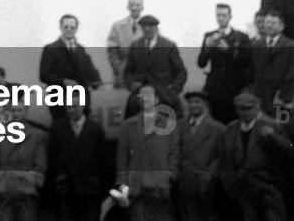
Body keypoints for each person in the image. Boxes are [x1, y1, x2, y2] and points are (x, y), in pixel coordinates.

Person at [219, 90, 294, 221]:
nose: (245, 112)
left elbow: (288, 151)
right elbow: (225, 158)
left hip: (268, 186)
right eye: (241, 109)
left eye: (249, 108)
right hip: (243, 187)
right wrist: (229, 182)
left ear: (257, 106)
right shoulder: (231, 130)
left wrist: (273, 136)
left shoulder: (272, 125)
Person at [114, 85, 178, 221]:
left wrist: (170, 174)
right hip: (136, 187)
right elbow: (122, 160)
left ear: (157, 99)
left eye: (149, 95)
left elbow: (174, 152)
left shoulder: (168, 124)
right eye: (141, 96)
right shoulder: (127, 126)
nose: (145, 99)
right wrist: (122, 186)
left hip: (160, 185)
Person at [0, 103, 47, 221]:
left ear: (26, 111)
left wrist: (31, 179)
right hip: (5, 187)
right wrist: (0, 177)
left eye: (19, 110)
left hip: (27, 188)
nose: (16, 113)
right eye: (13, 110)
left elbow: (41, 163)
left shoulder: (36, 135)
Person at [47, 100, 105, 221]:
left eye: (75, 106)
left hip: (89, 188)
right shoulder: (57, 127)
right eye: (68, 107)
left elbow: (101, 158)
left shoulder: (95, 129)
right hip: (65, 186)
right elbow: (52, 155)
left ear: (83, 106)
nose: (71, 110)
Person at [38, 14, 102, 119]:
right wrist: (63, 81)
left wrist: (97, 82)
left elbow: (90, 70)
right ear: (60, 28)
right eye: (66, 27)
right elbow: (44, 75)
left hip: (81, 99)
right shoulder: (50, 48)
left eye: (72, 27)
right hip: (59, 100)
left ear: (76, 29)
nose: (69, 30)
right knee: (62, 131)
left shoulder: (81, 49)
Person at [197, 3, 252, 124]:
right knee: (215, 123)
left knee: (234, 123)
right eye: (218, 15)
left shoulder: (241, 37)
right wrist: (207, 47)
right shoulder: (209, 35)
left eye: (223, 15)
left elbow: (247, 61)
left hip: (234, 88)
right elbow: (201, 63)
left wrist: (228, 50)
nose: (220, 18)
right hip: (215, 89)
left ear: (230, 16)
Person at [124, 15, 187, 118]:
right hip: (140, 94)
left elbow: (181, 72)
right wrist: (131, 84)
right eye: (144, 26)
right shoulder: (135, 46)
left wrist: (173, 89)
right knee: (134, 123)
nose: (147, 29)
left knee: (167, 125)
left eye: (150, 26)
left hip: (164, 95)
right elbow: (128, 71)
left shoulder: (168, 45)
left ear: (156, 28)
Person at [176, 91, 224, 221]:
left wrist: (210, 175)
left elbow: (221, 157)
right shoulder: (179, 126)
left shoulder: (217, 128)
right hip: (184, 179)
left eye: (197, 102)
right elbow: (174, 151)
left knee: (208, 214)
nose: (193, 105)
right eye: (190, 102)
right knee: (187, 214)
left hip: (206, 181)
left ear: (205, 105)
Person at [250, 10, 294, 118]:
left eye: (273, 23)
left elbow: (291, 74)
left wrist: (284, 96)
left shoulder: (290, 45)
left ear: (281, 26)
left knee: (279, 126)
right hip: (260, 96)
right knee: (260, 127)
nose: (269, 25)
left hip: (281, 97)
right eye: (267, 22)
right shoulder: (256, 45)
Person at [108, 0, 145, 89]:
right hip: (123, 72)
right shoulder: (117, 26)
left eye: (137, 5)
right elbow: (112, 51)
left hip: (143, 73)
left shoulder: (150, 27)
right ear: (128, 7)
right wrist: (120, 67)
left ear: (142, 7)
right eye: (132, 5)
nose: (135, 8)